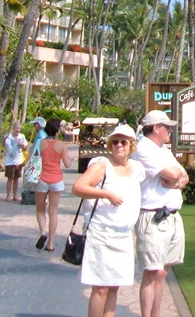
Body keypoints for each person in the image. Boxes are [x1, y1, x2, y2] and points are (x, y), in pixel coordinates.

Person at [73, 124, 145, 317]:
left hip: (123, 235)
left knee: (114, 287)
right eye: (115, 141)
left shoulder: (137, 168)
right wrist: (106, 194)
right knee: (101, 288)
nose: (119, 145)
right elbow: (78, 187)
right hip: (102, 233)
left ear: (131, 144)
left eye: (124, 141)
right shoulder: (102, 165)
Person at [133, 110, 189, 317]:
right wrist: (175, 179)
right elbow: (174, 174)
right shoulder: (143, 148)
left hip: (172, 215)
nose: (171, 131)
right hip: (153, 217)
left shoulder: (163, 149)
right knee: (152, 272)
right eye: (167, 127)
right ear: (156, 128)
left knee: (163, 272)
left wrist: (174, 181)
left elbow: (184, 176)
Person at [35, 118, 73, 251]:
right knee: (53, 212)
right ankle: (50, 243)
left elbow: (32, 160)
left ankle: (42, 233)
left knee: (40, 209)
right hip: (56, 180)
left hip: (41, 179)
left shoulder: (40, 143)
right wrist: (71, 160)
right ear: (57, 131)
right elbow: (67, 165)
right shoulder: (61, 145)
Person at [3, 121, 29, 202]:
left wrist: (22, 145)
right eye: (16, 128)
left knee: (16, 179)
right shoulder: (8, 136)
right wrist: (5, 139)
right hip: (9, 161)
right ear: (13, 128)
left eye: (19, 128)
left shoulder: (22, 136)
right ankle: (8, 195)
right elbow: (3, 145)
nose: (17, 130)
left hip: (18, 161)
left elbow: (25, 148)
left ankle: (15, 196)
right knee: (10, 178)